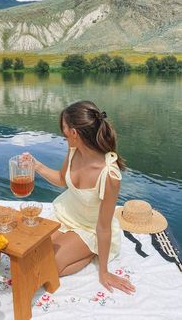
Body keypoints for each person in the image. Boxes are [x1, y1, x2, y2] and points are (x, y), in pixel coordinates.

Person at [24, 100, 135, 295]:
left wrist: (104, 272)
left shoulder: (109, 174)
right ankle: (74, 247)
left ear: (74, 133)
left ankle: (91, 252)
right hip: (66, 215)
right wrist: (37, 166)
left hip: (89, 228)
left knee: (48, 268)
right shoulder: (74, 150)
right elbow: (61, 179)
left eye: (64, 129)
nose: (63, 134)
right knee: (30, 254)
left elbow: (103, 226)